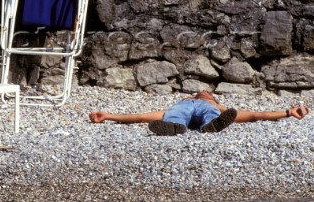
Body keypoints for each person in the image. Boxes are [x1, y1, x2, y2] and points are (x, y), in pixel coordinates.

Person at [89, 90, 311, 136]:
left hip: (212, 111)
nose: (203, 90)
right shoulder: (182, 102)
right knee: (174, 114)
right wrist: (108, 116)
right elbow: (142, 116)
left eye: (208, 91)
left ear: (214, 97)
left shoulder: (218, 106)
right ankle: (176, 126)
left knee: (211, 113)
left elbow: (255, 115)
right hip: (181, 110)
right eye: (200, 91)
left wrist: (288, 112)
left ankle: (211, 125)